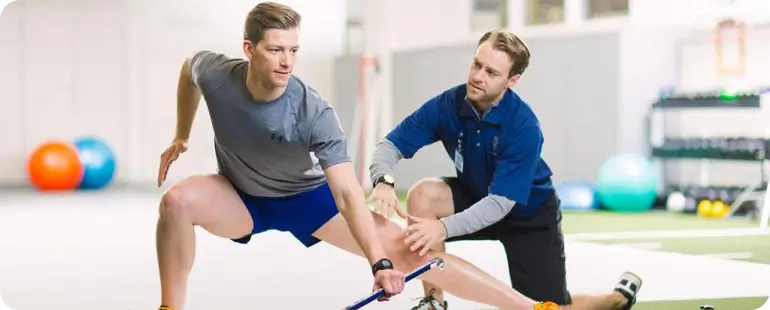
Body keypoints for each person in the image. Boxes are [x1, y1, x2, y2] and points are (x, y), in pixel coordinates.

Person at [153, 3, 629, 310]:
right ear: (248, 49)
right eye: (276, 50)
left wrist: (381, 262)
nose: (286, 61)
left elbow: (343, 191)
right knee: (177, 202)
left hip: (518, 211)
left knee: (417, 253)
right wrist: (181, 134)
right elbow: (187, 69)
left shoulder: (313, 110)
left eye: (294, 51)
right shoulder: (215, 72)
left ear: (512, 80)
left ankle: (558, 308)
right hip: (240, 195)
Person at [368, 29, 643, 310]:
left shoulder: (524, 125)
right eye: (476, 64)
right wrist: (383, 180)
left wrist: (442, 227)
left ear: (512, 80)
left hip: (528, 215)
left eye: (491, 72)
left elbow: (500, 204)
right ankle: (433, 303)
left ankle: (616, 300)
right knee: (423, 195)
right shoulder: (448, 104)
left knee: (549, 307)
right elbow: (390, 144)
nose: (477, 76)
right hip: (477, 195)